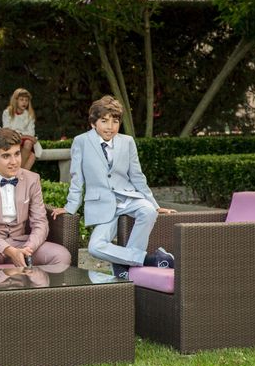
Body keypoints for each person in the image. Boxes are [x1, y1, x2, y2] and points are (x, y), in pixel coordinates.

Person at [51, 95, 177, 279]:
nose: (110, 126)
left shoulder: (127, 142)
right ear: (93, 123)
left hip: (128, 198)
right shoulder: (81, 142)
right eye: (104, 121)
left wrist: (155, 204)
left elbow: (137, 176)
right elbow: (77, 178)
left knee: (149, 211)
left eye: (115, 121)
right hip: (101, 204)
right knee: (95, 246)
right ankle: (148, 260)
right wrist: (70, 206)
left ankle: (125, 267)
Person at [0, 128, 72, 269]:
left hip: (22, 243)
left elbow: (40, 222)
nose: (14, 162)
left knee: (61, 255)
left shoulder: (32, 179)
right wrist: (8, 249)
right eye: (6, 156)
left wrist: (28, 248)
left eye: (17, 154)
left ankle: (40, 291)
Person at [2, 88, 41, 170]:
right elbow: (7, 131)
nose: (24, 102)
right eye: (22, 100)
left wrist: (25, 136)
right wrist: (24, 136)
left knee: (29, 146)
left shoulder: (29, 115)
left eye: (26, 100)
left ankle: (17, 172)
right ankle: (18, 172)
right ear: (16, 100)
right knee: (31, 155)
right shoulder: (7, 112)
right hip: (11, 140)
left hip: (25, 141)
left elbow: (31, 132)